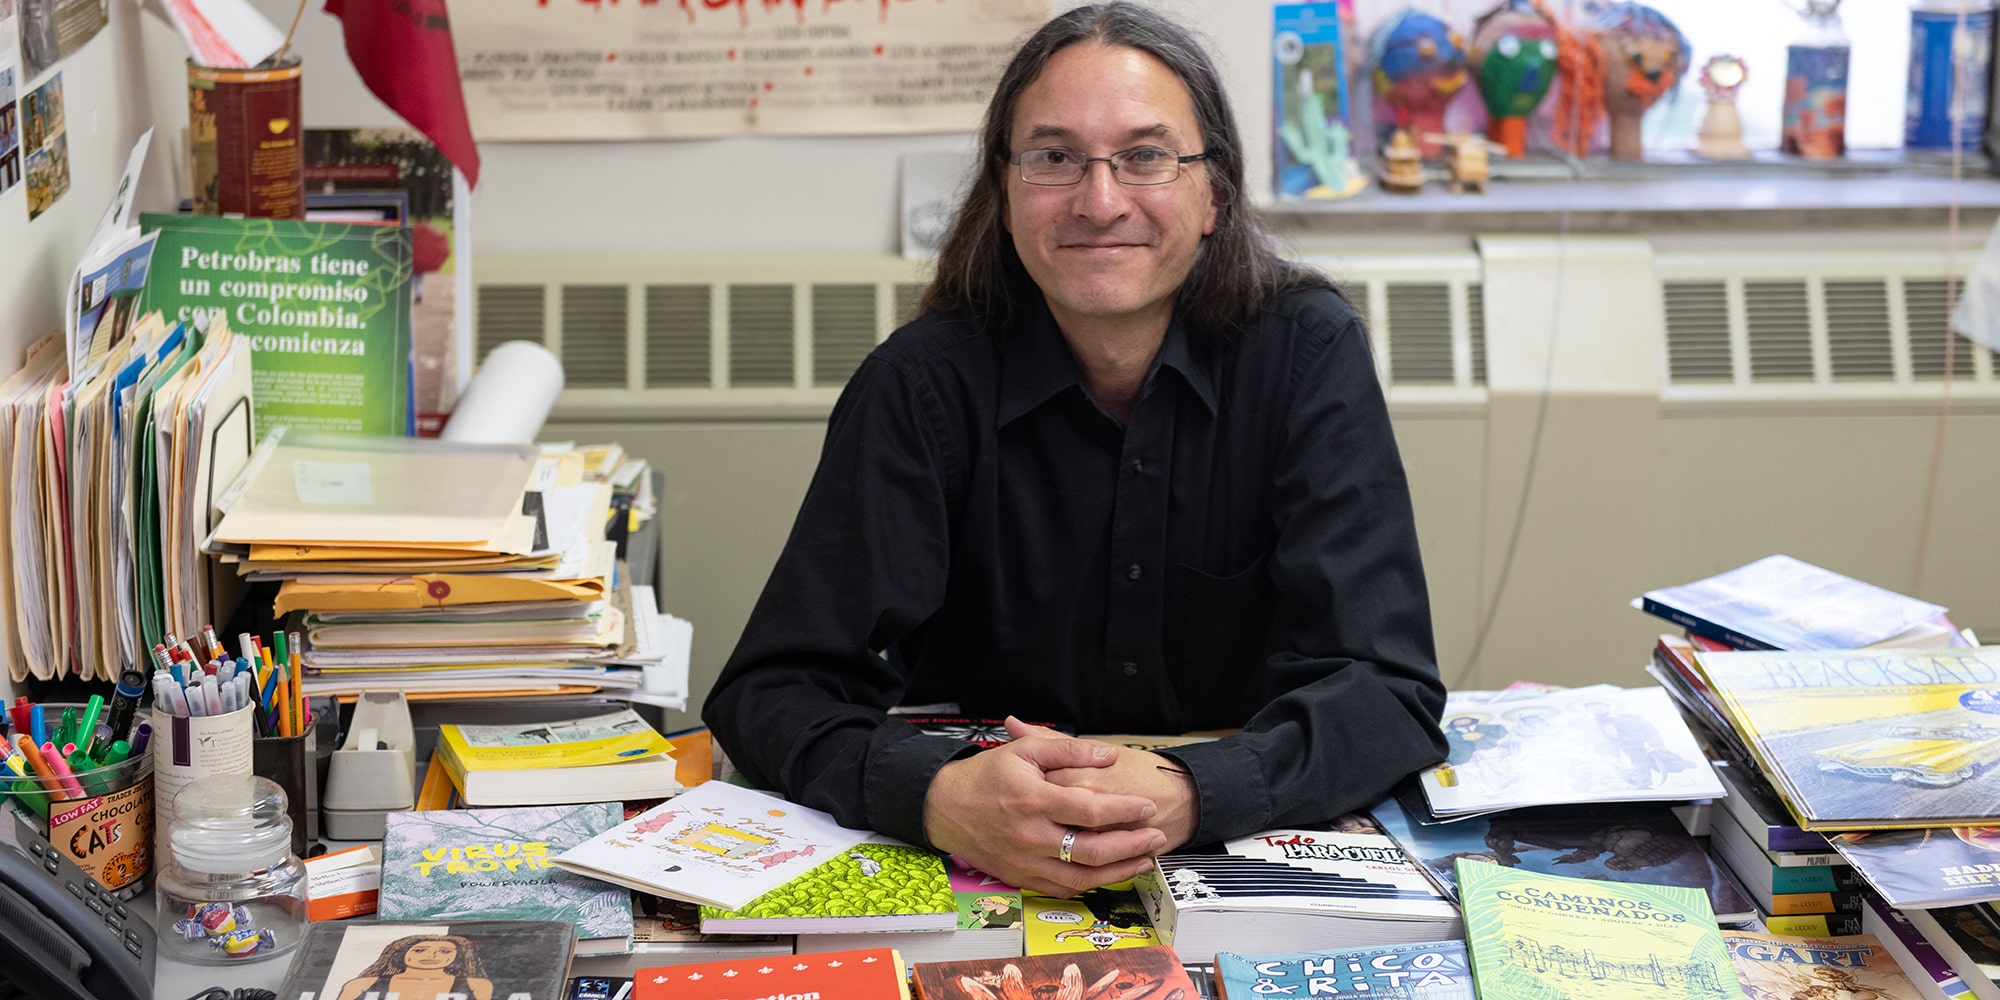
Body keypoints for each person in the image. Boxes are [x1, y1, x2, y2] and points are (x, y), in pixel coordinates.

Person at [704, 2, 1446, 897]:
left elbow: (1387, 688)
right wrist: (935, 796)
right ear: (1006, 193)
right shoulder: (921, 383)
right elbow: (770, 692)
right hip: (983, 854)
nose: (1101, 201)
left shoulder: (1304, 353)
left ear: (1213, 194)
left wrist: (1190, 792)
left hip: (1238, 853)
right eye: (1054, 158)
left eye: (1146, 157)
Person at [336, 934, 493, 1000]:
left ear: (456, 957)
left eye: (444, 951)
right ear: (402, 954)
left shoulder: (477, 984)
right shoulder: (362, 983)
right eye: (419, 950)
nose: (432, 955)